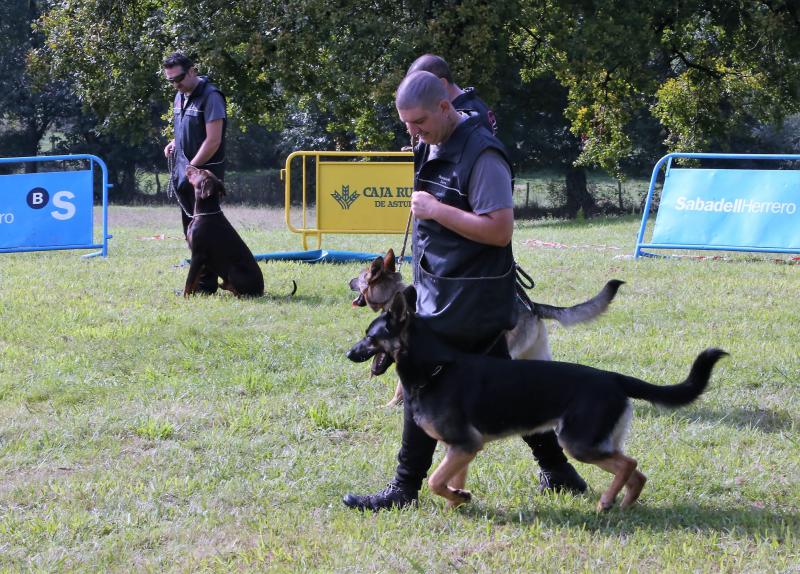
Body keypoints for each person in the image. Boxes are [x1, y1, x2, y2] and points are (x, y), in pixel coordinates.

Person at [342, 71, 584, 512]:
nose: (413, 132)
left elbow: (499, 230)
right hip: (443, 290)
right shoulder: (432, 144)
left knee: (420, 383)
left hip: (472, 300)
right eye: (406, 125)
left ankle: (403, 488)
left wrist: (436, 209)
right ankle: (559, 471)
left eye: (418, 122)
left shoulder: (483, 154)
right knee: (508, 389)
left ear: (444, 106)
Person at [163, 52, 227, 294]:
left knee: (205, 232)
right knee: (190, 231)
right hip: (185, 174)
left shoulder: (212, 97)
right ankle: (202, 283)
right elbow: (188, 129)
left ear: (192, 70)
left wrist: (193, 168)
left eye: (178, 78)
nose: (175, 84)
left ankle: (205, 286)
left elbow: (212, 140)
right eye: (170, 80)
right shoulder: (180, 95)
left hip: (204, 179)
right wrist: (175, 142)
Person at [406, 53, 497, 135]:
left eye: (421, 92)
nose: (418, 100)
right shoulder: (474, 103)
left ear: (441, 84)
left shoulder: (462, 119)